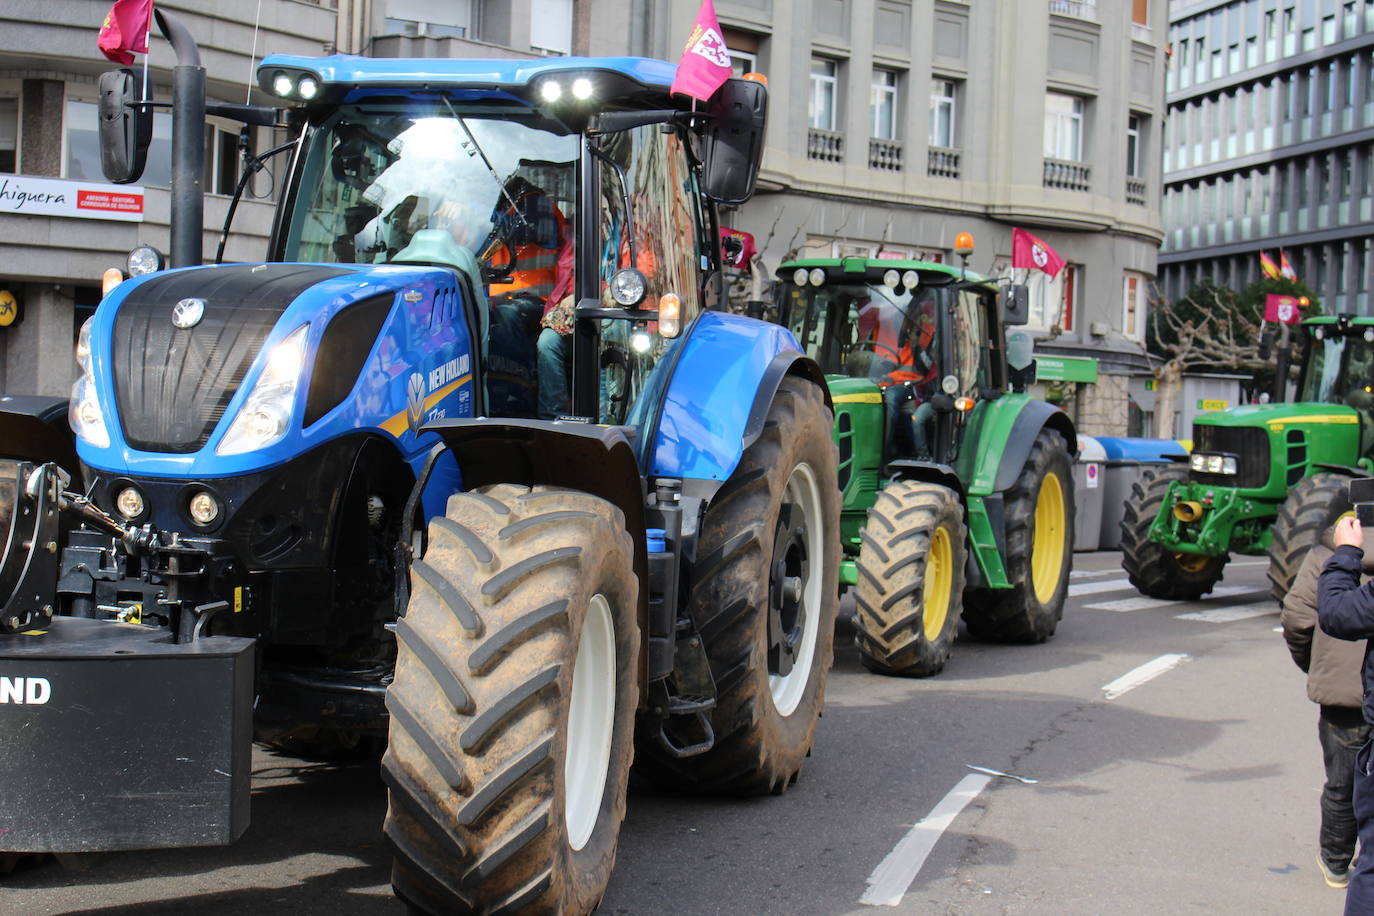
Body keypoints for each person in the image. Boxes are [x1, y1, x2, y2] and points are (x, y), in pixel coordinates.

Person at [1282, 521, 1372, 889]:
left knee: (1342, 781)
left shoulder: (1326, 556)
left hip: (1342, 693)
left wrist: (1317, 666)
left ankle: (1336, 864)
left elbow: (1298, 619)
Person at [1318, 513, 1374, 912]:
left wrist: (1347, 553)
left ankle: (1336, 863)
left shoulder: (1336, 556)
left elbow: (1332, 613)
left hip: (1341, 697)